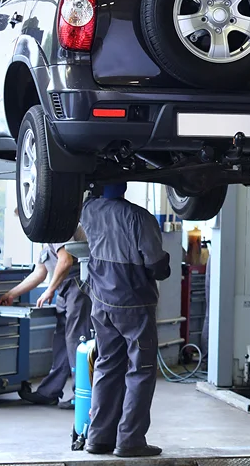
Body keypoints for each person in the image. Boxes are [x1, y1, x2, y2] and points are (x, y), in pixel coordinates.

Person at [81, 182, 171, 458]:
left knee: (107, 364)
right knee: (140, 370)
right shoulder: (139, 217)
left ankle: (98, 438)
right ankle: (130, 441)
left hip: (101, 303)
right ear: (125, 185)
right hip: (134, 305)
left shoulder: (89, 210)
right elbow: (157, 265)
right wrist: (163, 265)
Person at [0, 226, 90, 408]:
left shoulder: (58, 229)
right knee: (61, 343)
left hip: (78, 286)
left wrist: (50, 290)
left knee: (77, 342)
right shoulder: (46, 238)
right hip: (65, 289)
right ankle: (49, 392)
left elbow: (66, 260)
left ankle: (82, 397)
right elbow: (40, 273)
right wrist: (11, 294)